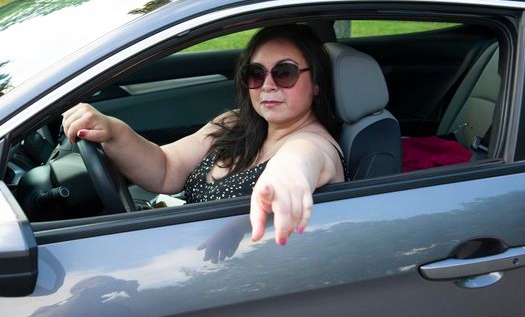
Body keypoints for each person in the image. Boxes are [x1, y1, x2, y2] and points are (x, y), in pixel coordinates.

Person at [62, 24, 347, 245]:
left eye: (285, 73)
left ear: (317, 84)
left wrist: (287, 179)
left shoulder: (314, 142)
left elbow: (300, 163)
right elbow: (165, 167)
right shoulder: (234, 122)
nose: (268, 85)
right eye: (255, 73)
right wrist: (113, 131)